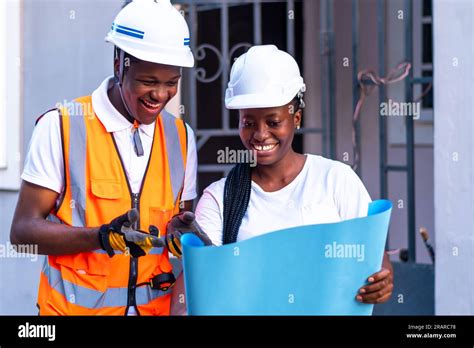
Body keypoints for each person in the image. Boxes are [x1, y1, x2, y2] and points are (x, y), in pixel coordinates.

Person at [10, 0, 198, 316]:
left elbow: (179, 228)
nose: (161, 95)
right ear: (119, 63)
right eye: (148, 81)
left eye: (171, 83)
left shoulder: (181, 137)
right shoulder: (62, 126)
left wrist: (181, 234)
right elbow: (22, 233)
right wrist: (100, 238)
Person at [171, 45, 393, 309]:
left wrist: (382, 278)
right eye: (248, 123)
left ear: (296, 118)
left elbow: (373, 253)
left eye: (273, 122)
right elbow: (197, 283)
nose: (261, 134)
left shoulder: (335, 180)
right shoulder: (221, 198)